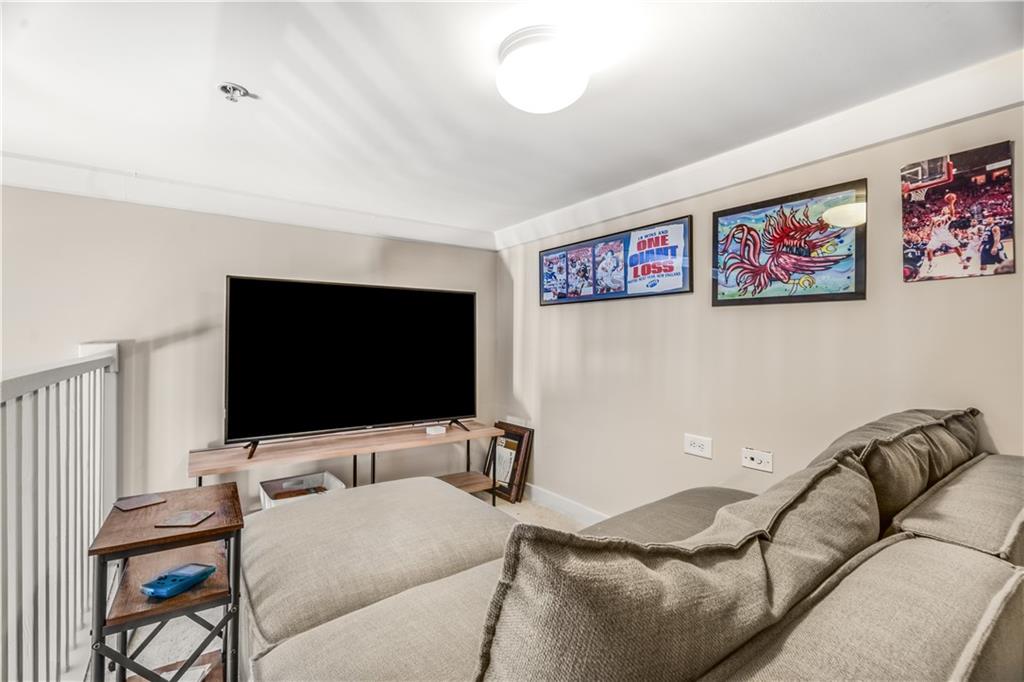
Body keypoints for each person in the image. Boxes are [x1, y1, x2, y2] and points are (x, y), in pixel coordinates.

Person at [924, 203, 965, 274]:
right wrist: (928, 233)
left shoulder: (948, 217)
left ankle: (962, 260)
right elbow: (930, 227)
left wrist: (951, 203)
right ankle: (931, 264)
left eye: (946, 209)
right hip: (936, 237)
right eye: (944, 208)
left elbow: (952, 213)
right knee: (929, 250)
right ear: (941, 210)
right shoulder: (934, 218)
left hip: (946, 235)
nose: (945, 209)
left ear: (948, 211)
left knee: (956, 247)